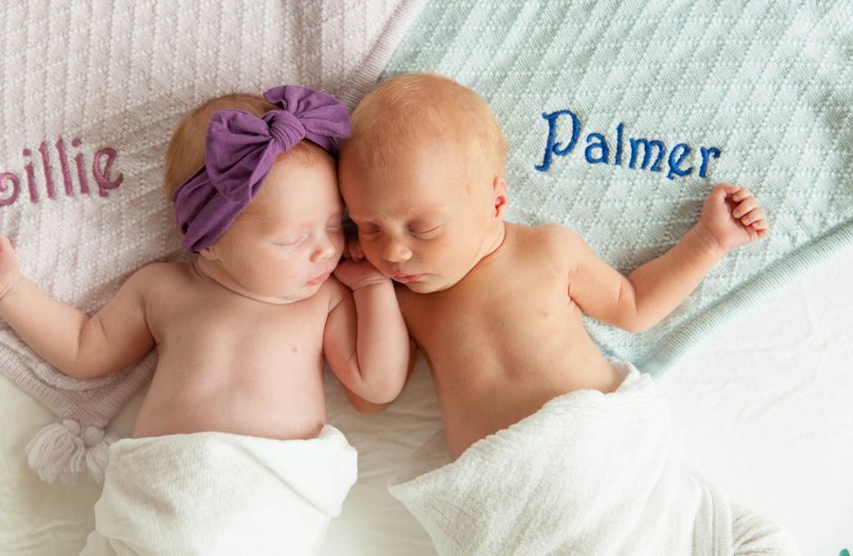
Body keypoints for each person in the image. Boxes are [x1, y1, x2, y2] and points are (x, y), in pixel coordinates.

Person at [338, 72, 797, 555]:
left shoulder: (548, 251)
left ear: (496, 201)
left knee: (763, 542)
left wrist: (708, 242)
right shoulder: (404, 300)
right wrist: (369, 289)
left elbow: (635, 306)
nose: (393, 252)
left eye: (423, 228)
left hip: (607, 463)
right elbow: (374, 397)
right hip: (517, 501)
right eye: (369, 228)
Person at [0, 85, 411, 556]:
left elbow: (377, 385)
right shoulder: (164, 289)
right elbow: (83, 349)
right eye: (293, 239)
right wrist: (9, 290)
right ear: (210, 240)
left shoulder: (324, 300)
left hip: (269, 510)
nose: (326, 249)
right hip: (161, 504)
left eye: (334, 224)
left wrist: (373, 287)